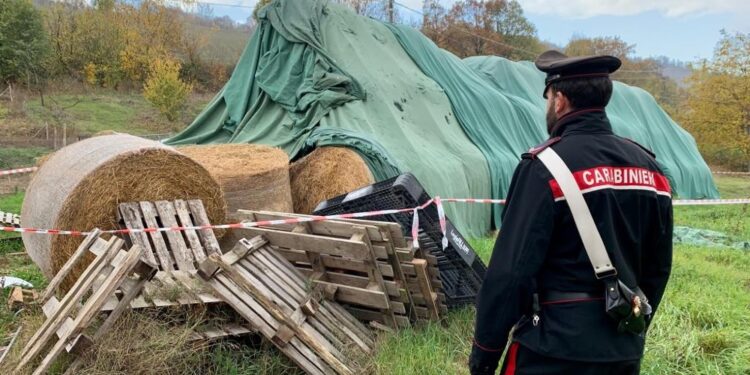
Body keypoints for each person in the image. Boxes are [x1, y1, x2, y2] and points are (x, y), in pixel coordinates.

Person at [469, 50, 674, 375]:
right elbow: (658, 269)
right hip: (621, 350)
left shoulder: (545, 168)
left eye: (547, 97)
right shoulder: (651, 170)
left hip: (550, 351)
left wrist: (484, 354)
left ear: (560, 100)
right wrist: (634, 327)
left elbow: (510, 273)